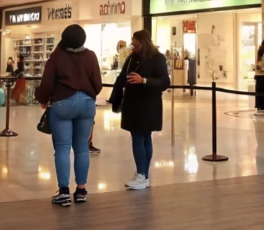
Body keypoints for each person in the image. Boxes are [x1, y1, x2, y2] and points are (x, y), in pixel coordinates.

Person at [35, 24, 102, 207]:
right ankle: (81, 190)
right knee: (82, 147)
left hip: (63, 103)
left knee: (63, 148)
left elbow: (47, 83)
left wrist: (42, 99)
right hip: (87, 104)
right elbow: (97, 85)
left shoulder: (57, 56)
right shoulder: (90, 56)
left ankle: (64, 192)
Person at [110, 29, 169, 191]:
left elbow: (164, 82)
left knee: (140, 137)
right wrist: (114, 98)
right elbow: (122, 77)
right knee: (141, 137)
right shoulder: (132, 58)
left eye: (134, 42)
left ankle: (142, 175)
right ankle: (143, 175)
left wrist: (143, 80)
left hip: (148, 105)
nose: (132, 45)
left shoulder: (158, 58)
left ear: (142, 42)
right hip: (132, 104)